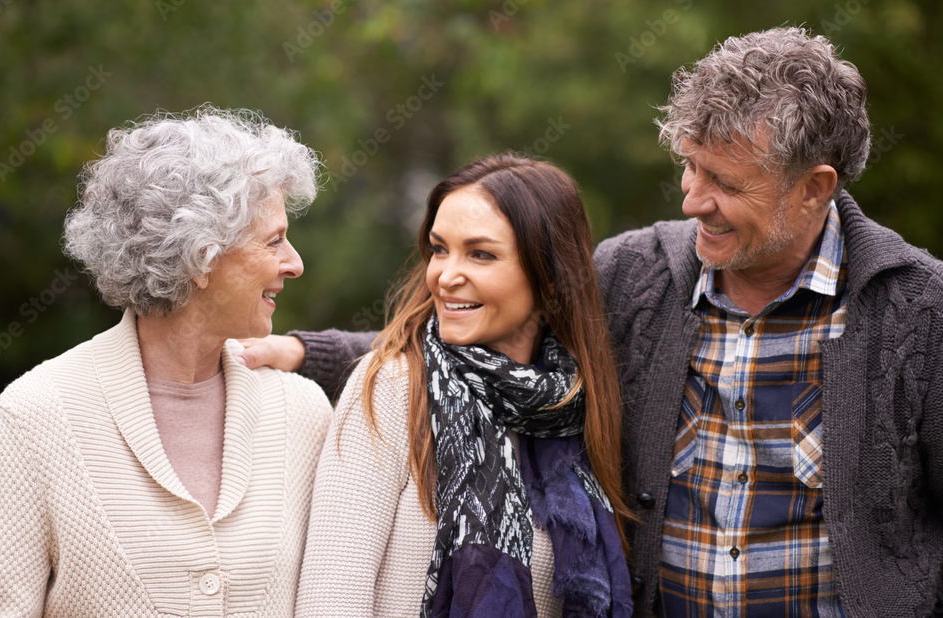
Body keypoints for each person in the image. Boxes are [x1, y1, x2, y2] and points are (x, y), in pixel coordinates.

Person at [241, 27, 943, 616]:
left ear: (815, 188)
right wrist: (311, 352)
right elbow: (498, 324)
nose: (693, 199)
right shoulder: (643, 273)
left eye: (725, 183)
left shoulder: (918, 311)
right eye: (690, 167)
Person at [0, 107, 332, 617]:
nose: (295, 262)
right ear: (201, 256)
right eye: (274, 240)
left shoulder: (304, 414)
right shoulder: (33, 417)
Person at [294, 153, 633, 617]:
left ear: (551, 279)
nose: (446, 276)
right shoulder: (393, 386)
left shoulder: (572, 404)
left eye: (481, 254)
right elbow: (331, 599)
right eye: (439, 249)